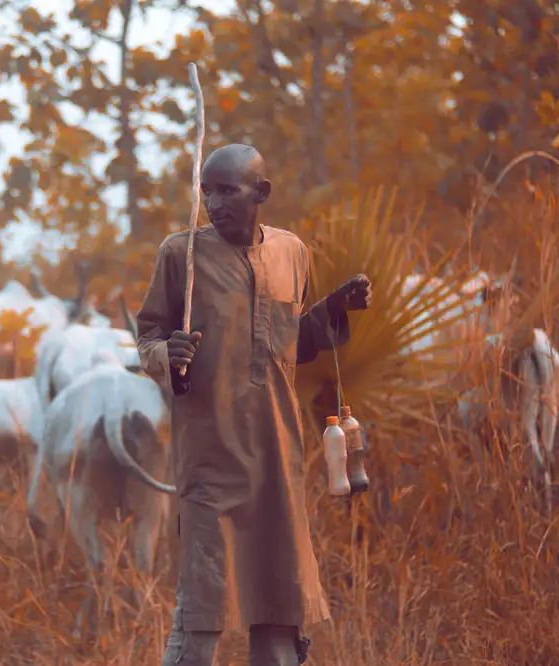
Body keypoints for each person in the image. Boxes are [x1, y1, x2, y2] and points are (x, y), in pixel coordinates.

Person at [136, 143, 372, 666]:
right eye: (207, 191)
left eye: (227, 189)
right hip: (210, 462)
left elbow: (292, 342)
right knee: (201, 618)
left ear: (261, 192)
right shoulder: (181, 256)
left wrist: (334, 307)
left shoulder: (292, 252)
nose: (214, 202)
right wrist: (166, 353)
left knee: (280, 614)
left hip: (276, 465)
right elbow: (148, 335)